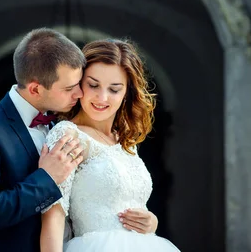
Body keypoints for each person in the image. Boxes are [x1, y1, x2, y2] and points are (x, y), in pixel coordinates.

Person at [0, 28, 159, 251]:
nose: (80, 94)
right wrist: (46, 179)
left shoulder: (64, 126)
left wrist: (149, 222)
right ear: (35, 88)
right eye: (72, 88)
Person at [40, 39, 180, 251]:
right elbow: (53, 218)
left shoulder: (125, 141)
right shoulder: (68, 135)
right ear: (79, 84)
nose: (102, 97)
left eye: (114, 89)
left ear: (126, 93)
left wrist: (151, 222)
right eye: (93, 85)